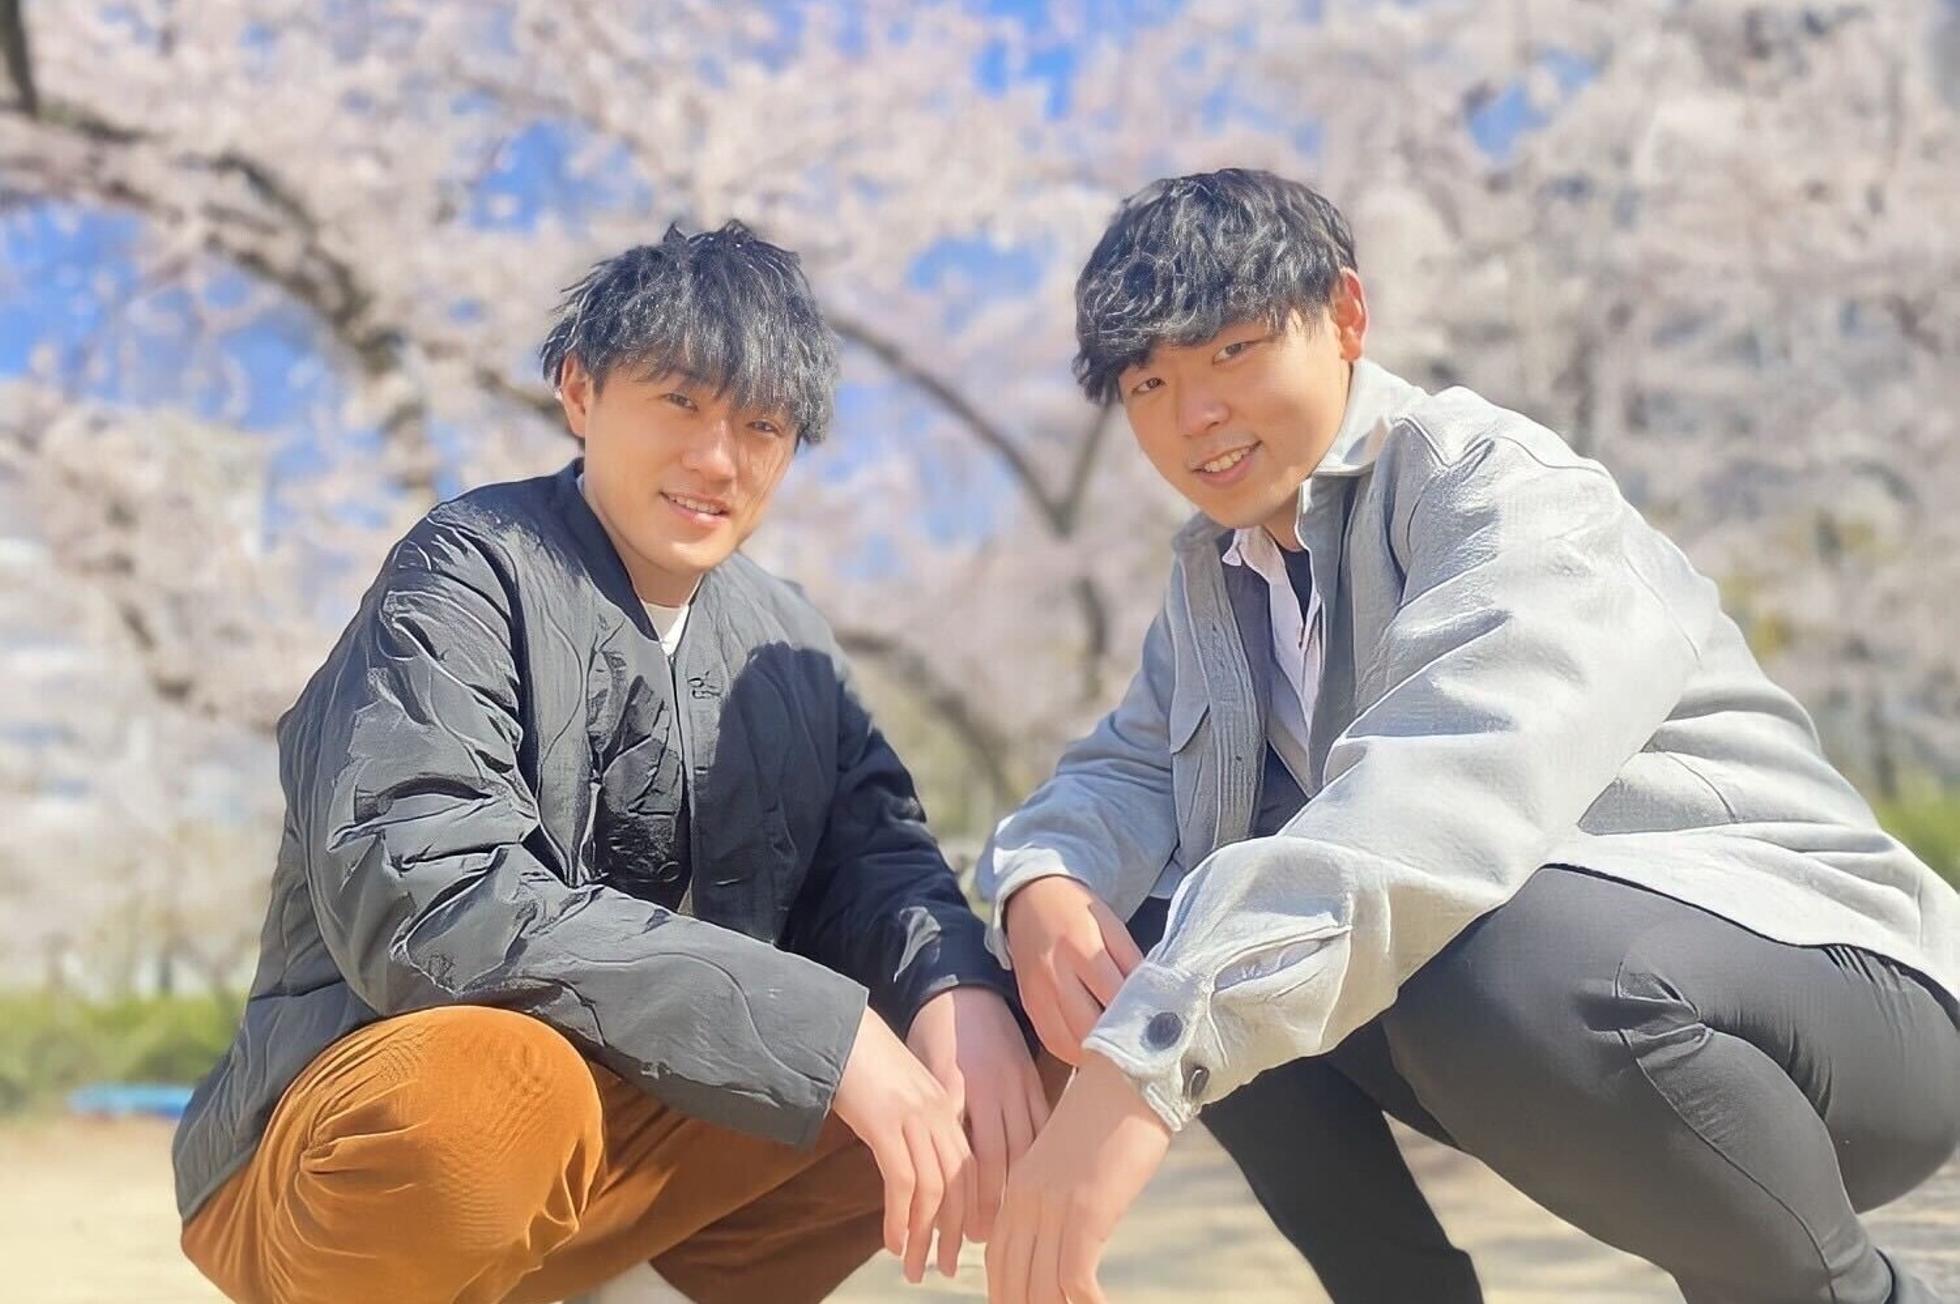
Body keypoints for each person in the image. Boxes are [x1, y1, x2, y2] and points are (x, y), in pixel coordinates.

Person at [979, 168, 1960, 1304]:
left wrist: (1145, 1060)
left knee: (1398, 958)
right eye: (1150, 381)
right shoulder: (1218, 580)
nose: (1193, 414)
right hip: (1571, 996)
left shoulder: (1496, 487)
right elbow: (1125, 768)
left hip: (1842, 998)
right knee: (1182, 917)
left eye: (1233, 351)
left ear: (1346, 316)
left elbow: (1442, 795)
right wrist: (1043, 882)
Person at [172, 222, 1046, 1304]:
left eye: (762, 424)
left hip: (618, 1174)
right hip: (337, 1155)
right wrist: (828, 1031)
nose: (717, 459)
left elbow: (879, 860)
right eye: (679, 401)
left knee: (994, 1037)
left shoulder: (786, 639)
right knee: (506, 1088)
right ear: (579, 391)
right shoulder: (469, 571)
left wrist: (954, 987)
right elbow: (427, 900)